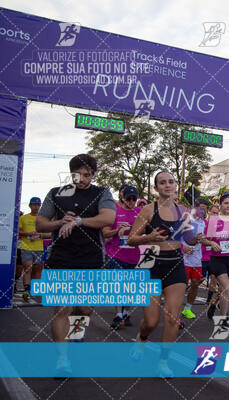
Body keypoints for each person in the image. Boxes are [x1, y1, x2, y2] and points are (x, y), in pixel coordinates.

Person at [35, 154, 116, 373]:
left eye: (87, 175)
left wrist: (79, 221)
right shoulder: (56, 194)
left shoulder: (101, 193)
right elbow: (40, 224)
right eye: (77, 174)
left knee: (84, 308)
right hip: (61, 258)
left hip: (91, 258)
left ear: (93, 174)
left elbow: (108, 218)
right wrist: (60, 221)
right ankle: (62, 360)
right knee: (63, 308)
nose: (82, 179)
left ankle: (77, 331)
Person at [127, 171, 196, 378]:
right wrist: (149, 236)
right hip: (151, 266)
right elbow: (131, 239)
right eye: (162, 182)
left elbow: (190, 238)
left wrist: (199, 238)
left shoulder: (183, 211)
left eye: (171, 182)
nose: (167, 185)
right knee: (151, 321)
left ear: (176, 185)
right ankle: (142, 338)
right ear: (156, 188)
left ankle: (163, 362)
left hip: (175, 265)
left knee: (173, 318)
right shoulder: (148, 211)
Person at [102, 185, 141, 329]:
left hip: (134, 256)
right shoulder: (114, 212)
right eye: (128, 198)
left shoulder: (140, 212)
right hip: (116, 255)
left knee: (130, 288)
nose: (131, 201)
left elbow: (147, 231)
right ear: (122, 198)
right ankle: (118, 316)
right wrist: (117, 230)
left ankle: (126, 313)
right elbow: (105, 233)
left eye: (134, 199)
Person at [203, 192, 229, 320]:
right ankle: (223, 318)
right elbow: (203, 239)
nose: (228, 206)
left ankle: (215, 303)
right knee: (226, 287)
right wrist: (211, 242)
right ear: (220, 205)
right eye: (226, 203)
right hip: (218, 259)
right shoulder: (213, 221)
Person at [181, 198, 209, 320]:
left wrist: (205, 240)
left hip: (197, 259)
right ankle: (175, 312)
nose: (203, 211)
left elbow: (203, 239)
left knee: (195, 284)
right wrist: (183, 248)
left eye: (204, 209)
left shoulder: (203, 223)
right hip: (184, 259)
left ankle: (187, 309)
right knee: (181, 287)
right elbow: (175, 237)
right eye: (201, 208)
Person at [18, 197, 49, 302]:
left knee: (38, 270)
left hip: (39, 248)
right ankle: (26, 290)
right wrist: (28, 234)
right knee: (27, 268)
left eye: (38, 205)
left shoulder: (43, 219)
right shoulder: (23, 218)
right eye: (34, 205)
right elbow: (18, 232)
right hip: (26, 246)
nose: (36, 207)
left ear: (40, 206)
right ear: (30, 206)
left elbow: (50, 234)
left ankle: (34, 291)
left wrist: (39, 235)